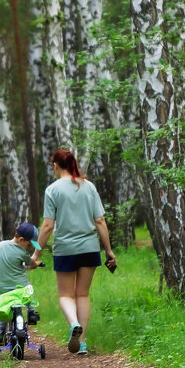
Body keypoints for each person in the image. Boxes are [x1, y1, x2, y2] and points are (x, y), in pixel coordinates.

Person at [32, 149, 115, 355]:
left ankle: (73, 324)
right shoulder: (89, 187)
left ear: (56, 166)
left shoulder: (53, 190)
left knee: (65, 295)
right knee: (83, 294)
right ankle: (82, 342)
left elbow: (47, 226)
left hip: (65, 249)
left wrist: (36, 253)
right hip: (89, 248)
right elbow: (100, 220)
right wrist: (109, 251)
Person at [0, 222, 42, 345]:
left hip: (3, 288)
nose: (29, 247)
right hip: (19, 288)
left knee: (3, 309)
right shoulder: (22, 253)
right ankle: (31, 311)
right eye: (29, 244)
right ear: (21, 240)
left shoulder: (0, 246)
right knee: (28, 288)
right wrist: (36, 264)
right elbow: (31, 264)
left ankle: (1, 334)